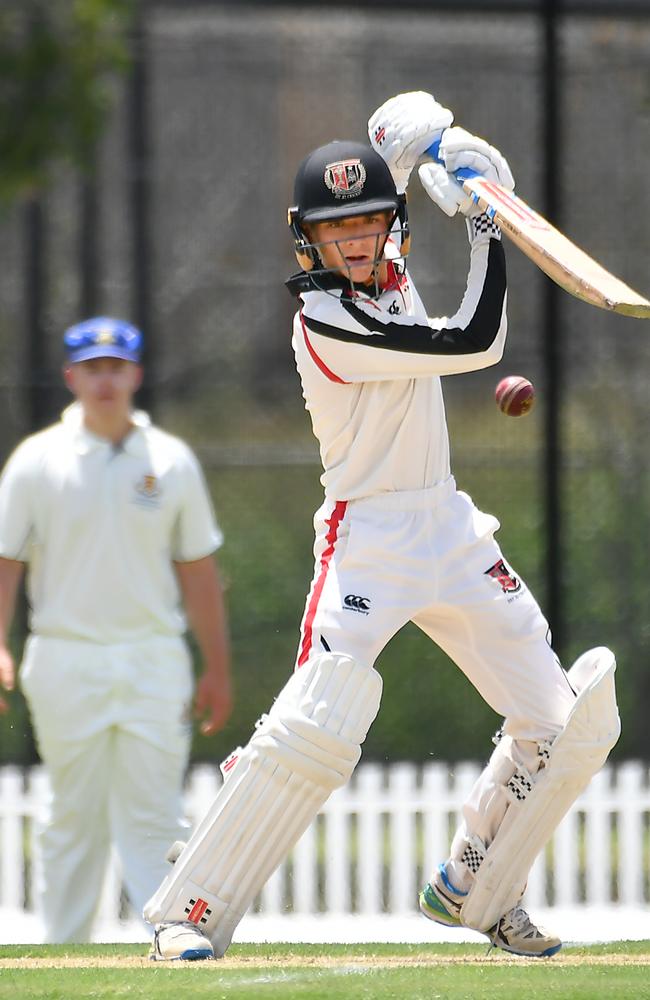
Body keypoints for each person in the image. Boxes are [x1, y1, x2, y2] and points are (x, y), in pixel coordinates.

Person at [142, 91, 620, 961]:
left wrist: (440, 144)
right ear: (308, 241)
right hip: (366, 540)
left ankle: (479, 884)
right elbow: (475, 340)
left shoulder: (390, 269)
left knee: (560, 723)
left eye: (370, 225)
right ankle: (192, 908)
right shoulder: (325, 321)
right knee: (315, 722)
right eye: (337, 231)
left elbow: (392, 151)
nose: (357, 242)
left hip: (450, 525)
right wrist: (483, 224)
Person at [0, 316, 232, 943]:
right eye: (93, 368)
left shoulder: (172, 461)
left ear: (136, 374)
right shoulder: (36, 460)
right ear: (71, 376)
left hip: (154, 656)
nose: (106, 380)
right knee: (71, 814)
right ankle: (63, 950)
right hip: (64, 656)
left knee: (155, 810)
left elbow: (200, 572)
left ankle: (171, 933)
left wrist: (216, 667)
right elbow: (6, 561)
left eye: (116, 367)